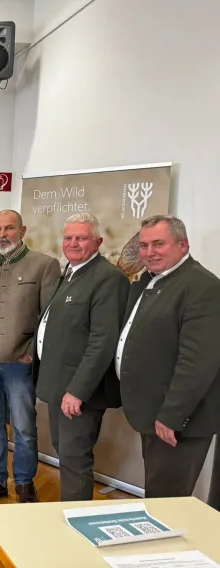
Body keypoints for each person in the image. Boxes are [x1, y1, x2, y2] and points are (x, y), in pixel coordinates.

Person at [0, 209, 61, 504]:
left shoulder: (44, 266)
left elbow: (49, 316)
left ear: (23, 230)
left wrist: (31, 354)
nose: (2, 235)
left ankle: (25, 482)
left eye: (8, 228)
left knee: (23, 425)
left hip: (20, 362)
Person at [118, 215, 220, 498]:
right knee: (158, 495)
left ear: (183, 245)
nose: (149, 253)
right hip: (155, 413)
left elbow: (198, 362)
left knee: (169, 504)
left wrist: (172, 416)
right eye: (144, 245)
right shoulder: (157, 281)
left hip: (178, 422)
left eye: (159, 244)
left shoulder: (202, 287)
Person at [33, 213, 128, 501]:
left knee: (75, 459)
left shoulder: (108, 278)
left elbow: (102, 341)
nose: (73, 243)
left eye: (81, 237)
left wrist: (77, 390)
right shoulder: (71, 272)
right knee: (66, 452)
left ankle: (76, 521)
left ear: (98, 241)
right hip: (57, 385)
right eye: (69, 238)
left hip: (77, 393)